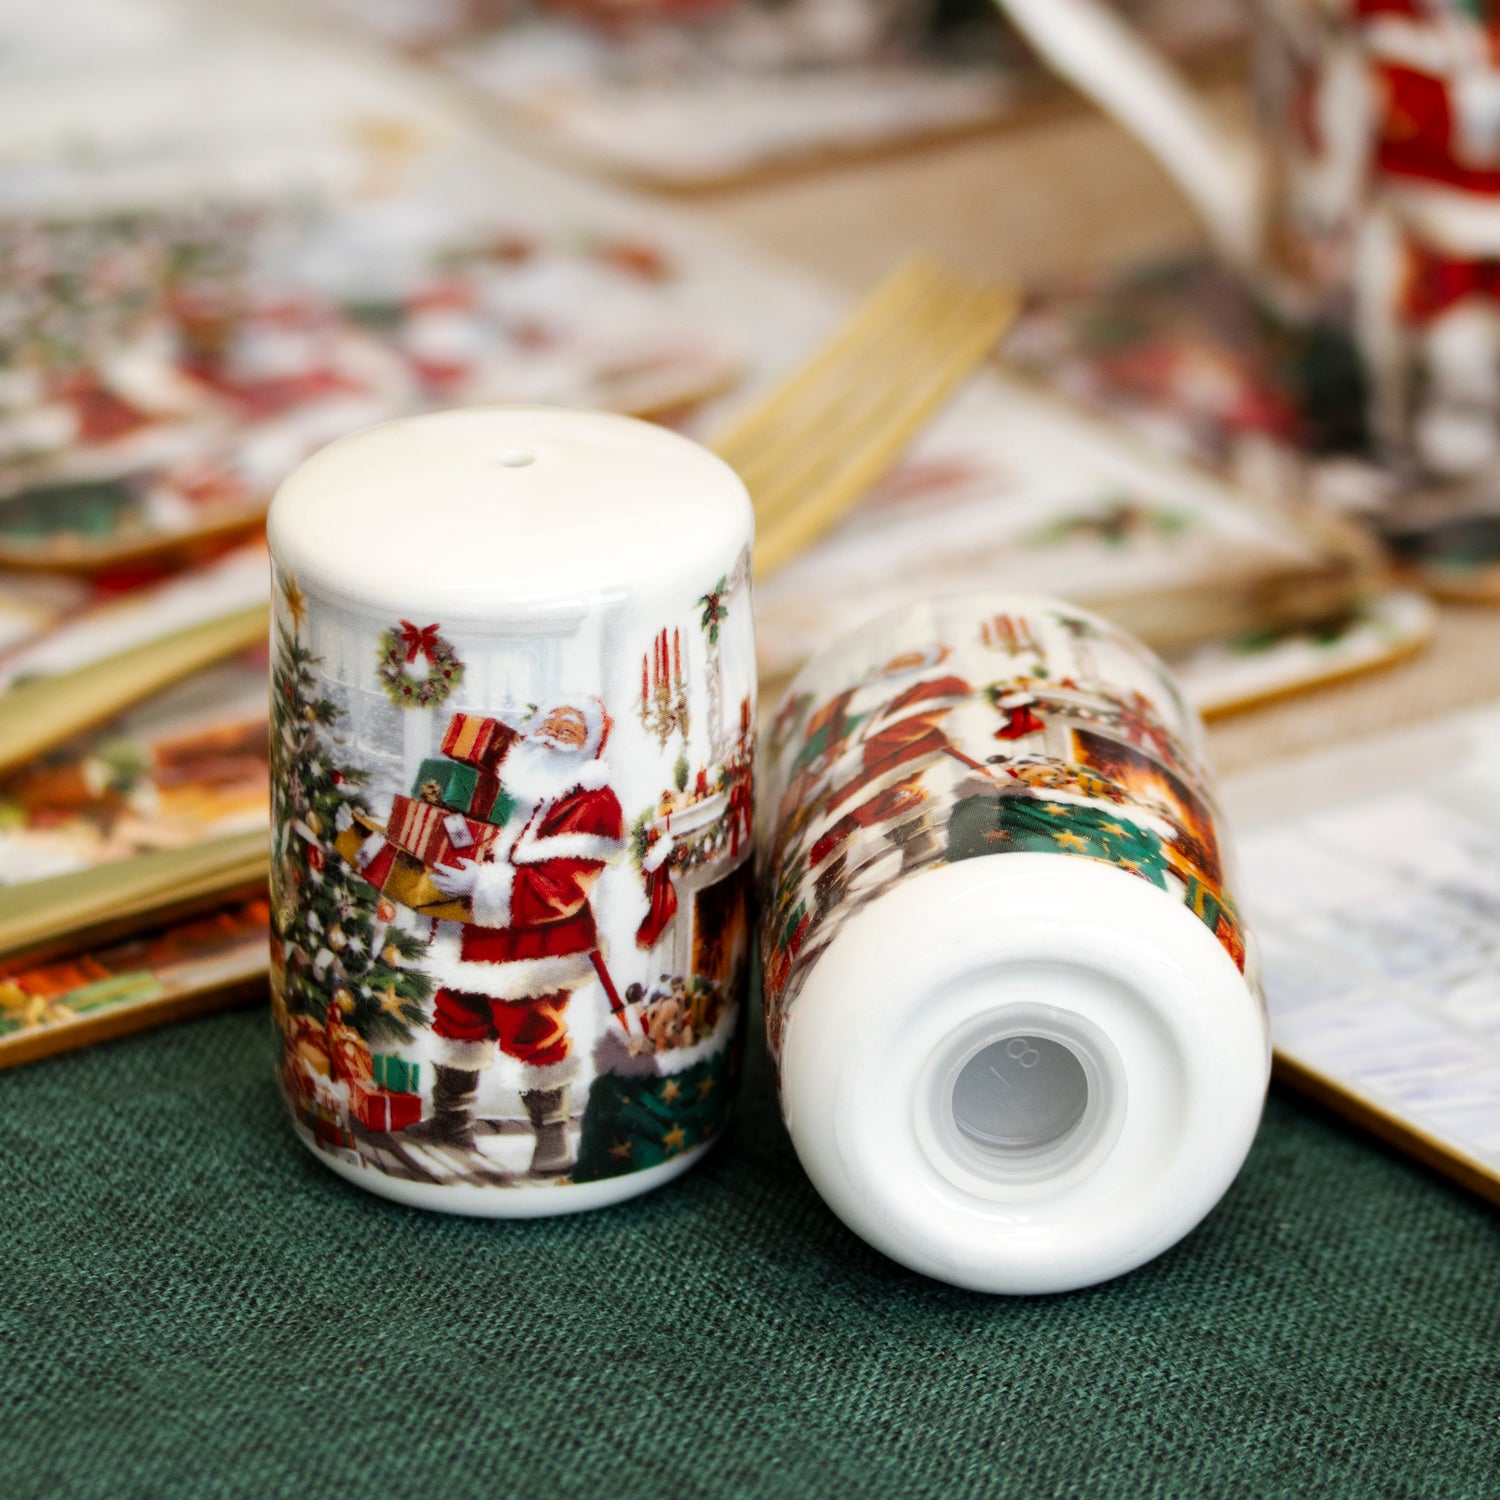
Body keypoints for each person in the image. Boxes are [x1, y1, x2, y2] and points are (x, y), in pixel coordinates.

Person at [412, 698, 625, 1177]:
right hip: (475, 936)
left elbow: (561, 889)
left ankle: (550, 1139)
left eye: (567, 730)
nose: (550, 735)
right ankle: (451, 1123)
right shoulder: (516, 773)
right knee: (455, 1016)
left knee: (530, 1032)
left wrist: (481, 884)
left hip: (539, 944)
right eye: (547, 724)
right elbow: (468, 773)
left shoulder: (593, 804)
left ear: (588, 745)